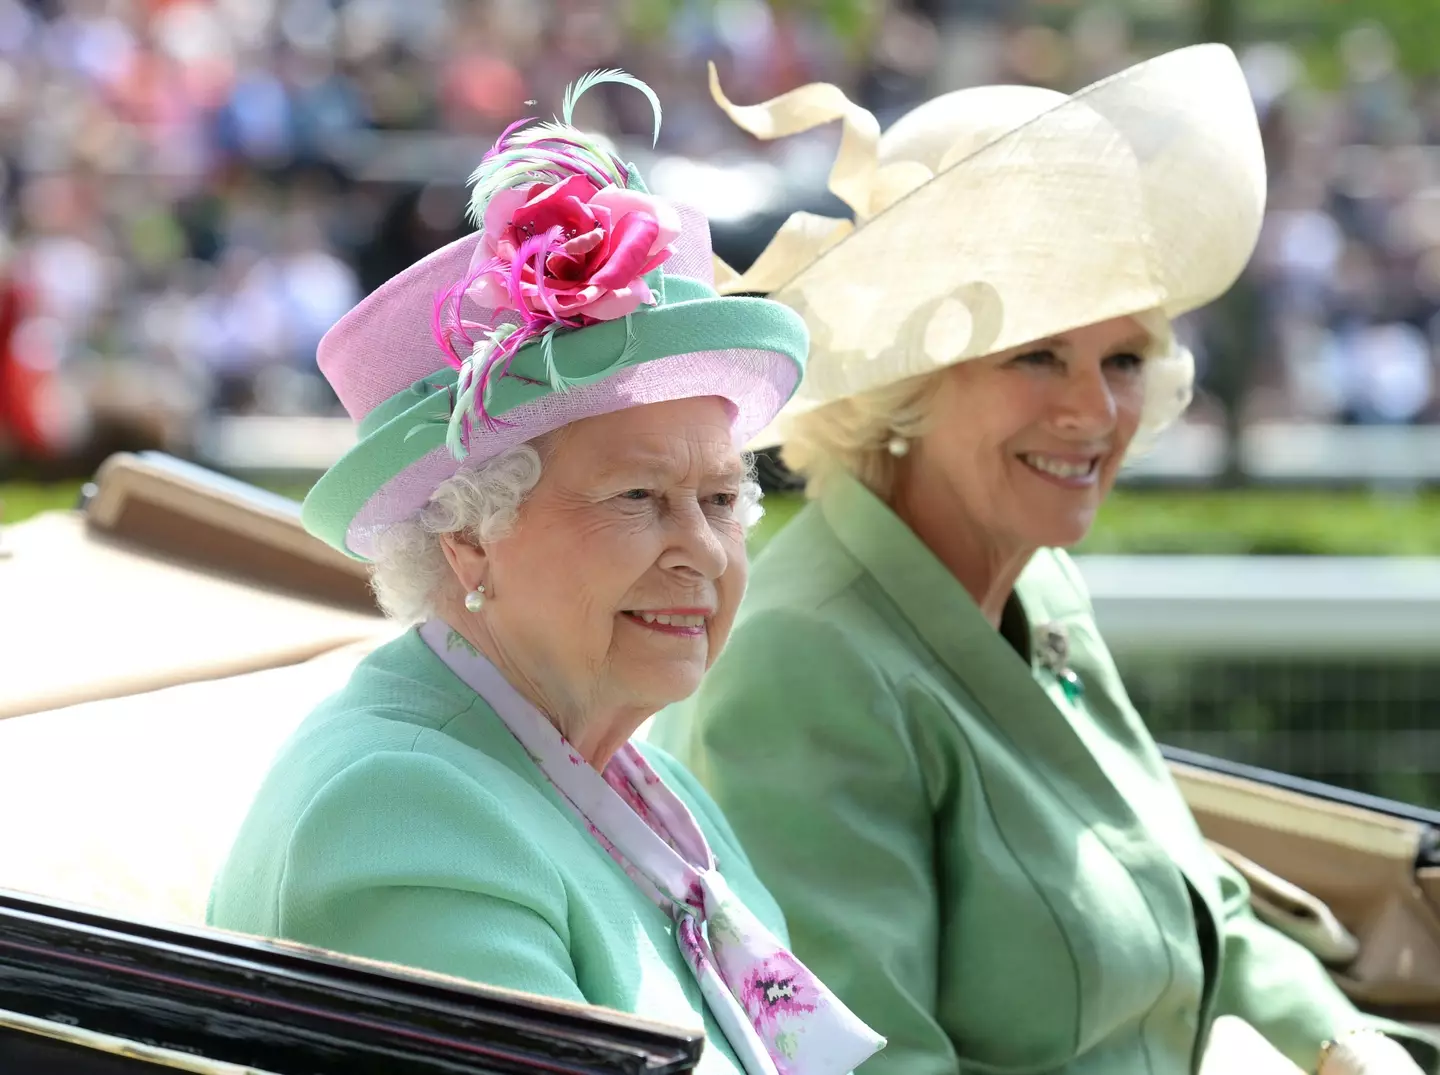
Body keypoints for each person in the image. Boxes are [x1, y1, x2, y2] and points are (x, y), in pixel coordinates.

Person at [648, 45, 1439, 1075]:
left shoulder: (1033, 581)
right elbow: (865, 1066)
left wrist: (1344, 1045)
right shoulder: (806, 661)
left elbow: (1196, 903)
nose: (1095, 410)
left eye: (1120, 359)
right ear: (907, 377)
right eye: (1035, 355)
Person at [208, 73, 883, 1075]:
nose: (700, 548)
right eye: (638, 498)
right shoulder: (401, 813)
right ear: (468, 537)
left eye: (719, 498)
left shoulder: (646, 788)